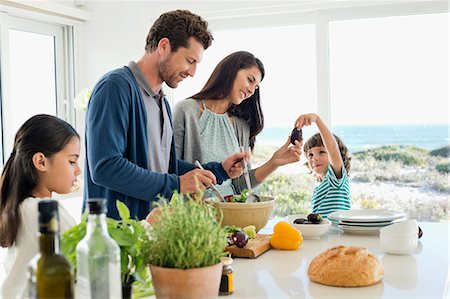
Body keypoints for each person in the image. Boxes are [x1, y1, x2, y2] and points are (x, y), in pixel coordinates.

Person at [84, 10, 246, 220]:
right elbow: (105, 167)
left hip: (150, 233)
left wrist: (219, 170)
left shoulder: (162, 102)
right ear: (164, 46)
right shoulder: (115, 87)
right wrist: (177, 184)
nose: (192, 72)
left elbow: (164, 167)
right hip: (117, 239)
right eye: (190, 60)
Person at [173, 51, 302, 197]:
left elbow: (240, 184)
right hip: (193, 216)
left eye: (256, 87)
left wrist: (274, 163)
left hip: (232, 213)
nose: (252, 91)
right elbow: (169, 167)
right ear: (232, 71)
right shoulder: (186, 111)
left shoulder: (240, 126)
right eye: (250, 80)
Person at [0, 114, 81, 298]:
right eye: (72, 161)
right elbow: (85, 260)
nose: (78, 170)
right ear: (41, 162)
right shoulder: (42, 212)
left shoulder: (22, 207)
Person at [295, 113, 351, 217]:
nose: (314, 158)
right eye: (310, 154)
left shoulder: (336, 180)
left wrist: (317, 120)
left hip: (336, 233)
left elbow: (333, 150)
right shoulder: (321, 187)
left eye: (321, 152)